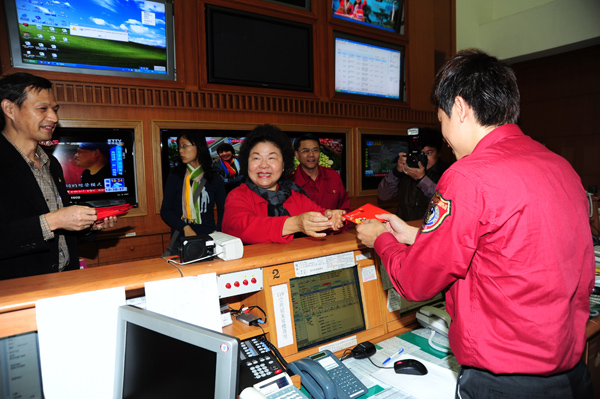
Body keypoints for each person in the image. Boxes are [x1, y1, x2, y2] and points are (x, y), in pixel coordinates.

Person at [356, 49, 594, 398]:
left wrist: (381, 240)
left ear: (461, 109)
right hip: (571, 375)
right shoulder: (559, 165)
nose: (445, 136)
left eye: (441, 120)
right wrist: (412, 235)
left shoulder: (468, 175)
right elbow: (505, 243)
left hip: (505, 383)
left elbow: (414, 282)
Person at [0, 72, 117, 280]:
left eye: (54, 109)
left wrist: (88, 225)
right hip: (18, 290)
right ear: (10, 109)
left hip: (65, 281)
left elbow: (62, 229)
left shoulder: (51, 163)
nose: (54, 118)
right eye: (42, 109)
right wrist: (52, 221)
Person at [222, 124, 345, 244]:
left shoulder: (295, 195)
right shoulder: (237, 196)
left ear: (283, 165)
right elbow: (241, 228)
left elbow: (319, 214)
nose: (264, 165)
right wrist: (296, 224)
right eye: (256, 158)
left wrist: (330, 217)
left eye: (272, 158)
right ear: (246, 163)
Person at [161, 131, 226, 249]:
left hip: (209, 237)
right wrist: (185, 227)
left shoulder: (214, 177)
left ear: (198, 146)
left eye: (185, 146)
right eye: (179, 147)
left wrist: (218, 232)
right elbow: (166, 211)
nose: (181, 151)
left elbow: (223, 209)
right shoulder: (175, 176)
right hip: (181, 238)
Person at [377, 128, 450, 221]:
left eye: (429, 153)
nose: (424, 157)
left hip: (429, 231)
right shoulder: (407, 169)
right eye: (420, 153)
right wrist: (397, 172)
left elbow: (445, 202)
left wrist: (422, 180)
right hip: (403, 227)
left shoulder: (447, 172)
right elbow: (383, 195)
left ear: (439, 153)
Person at [290, 133, 350, 213]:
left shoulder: (333, 176)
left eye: (315, 150)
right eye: (306, 151)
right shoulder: (290, 183)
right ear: (297, 155)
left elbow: (345, 209)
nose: (311, 155)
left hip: (333, 225)